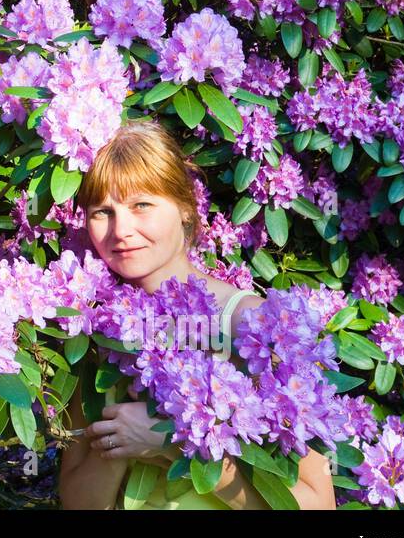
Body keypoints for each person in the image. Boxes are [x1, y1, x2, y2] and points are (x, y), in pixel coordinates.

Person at [56, 118, 336, 509]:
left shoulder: (253, 327)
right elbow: (78, 503)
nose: (121, 230)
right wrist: (121, 440)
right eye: (103, 211)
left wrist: (175, 443)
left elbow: (316, 505)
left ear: (186, 210)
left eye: (142, 205)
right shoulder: (95, 329)